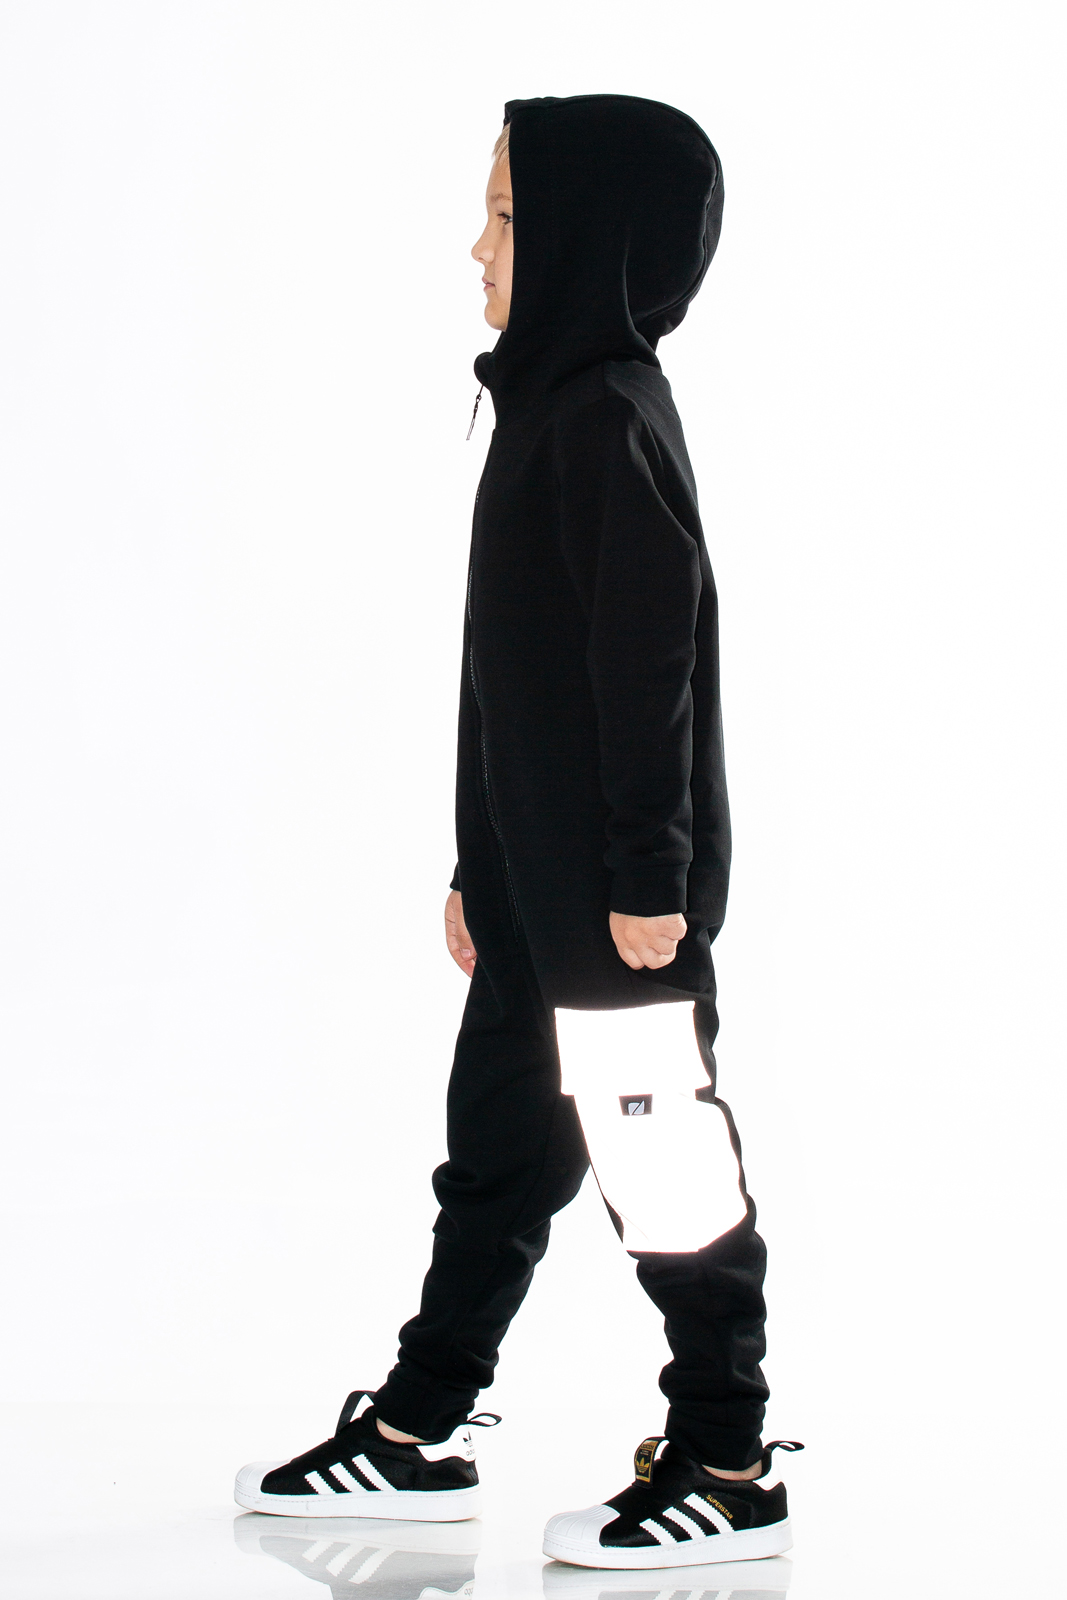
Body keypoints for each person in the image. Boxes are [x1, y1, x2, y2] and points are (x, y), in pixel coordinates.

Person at [235, 93, 801, 1571]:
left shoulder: (607, 418)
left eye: (503, 218)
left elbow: (649, 667)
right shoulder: (545, 404)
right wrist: (476, 868)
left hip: (615, 906)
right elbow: (510, 678)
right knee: (495, 1159)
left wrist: (648, 882)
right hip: (536, 894)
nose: (476, 248)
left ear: (586, 245)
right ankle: (418, 1431)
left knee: (661, 1170)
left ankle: (730, 1459)